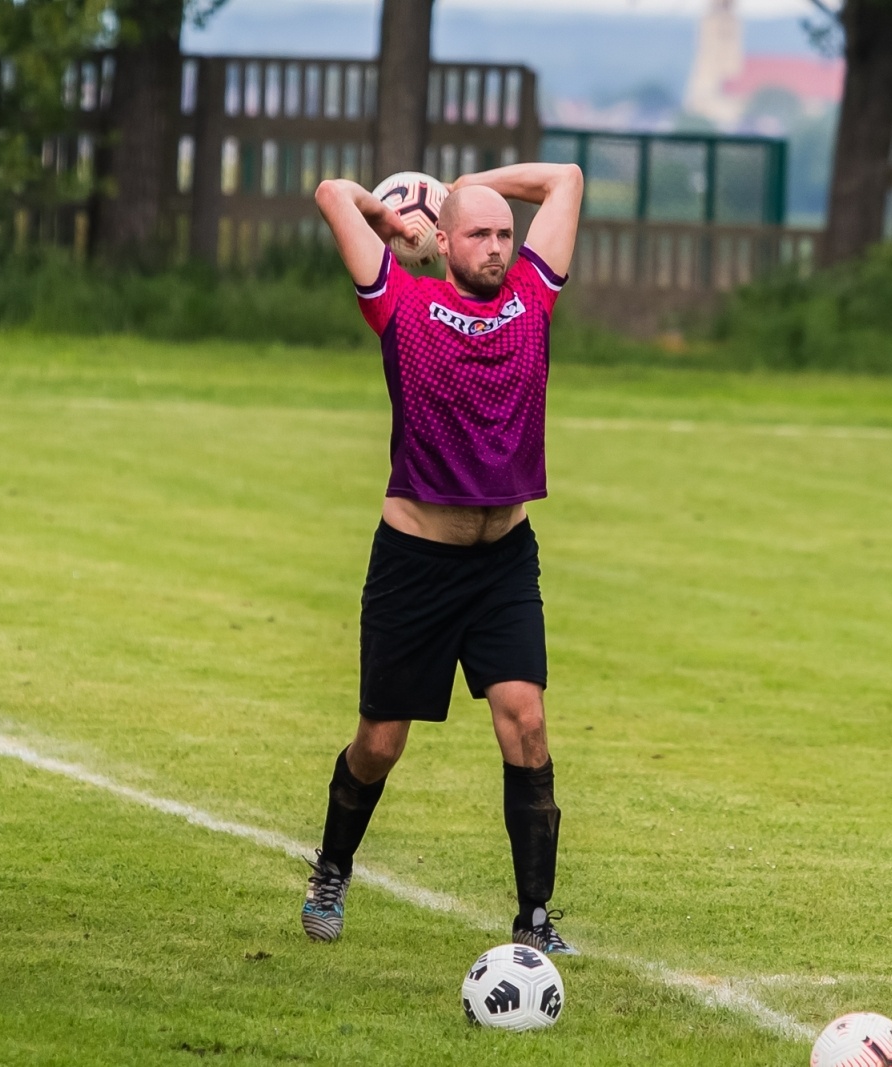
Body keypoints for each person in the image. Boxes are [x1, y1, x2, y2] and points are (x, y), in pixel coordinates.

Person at [302, 161, 584, 955]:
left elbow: (565, 179)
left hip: (504, 562)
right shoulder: (401, 302)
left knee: (526, 720)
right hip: (415, 565)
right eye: (479, 234)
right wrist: (389, 219)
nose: (497, 246)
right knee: (379, 743)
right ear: (445, 243)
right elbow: (331, 194)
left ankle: (534, 917)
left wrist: (465, 183)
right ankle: (332, 867)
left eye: (504, 234)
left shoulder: (533, 294)